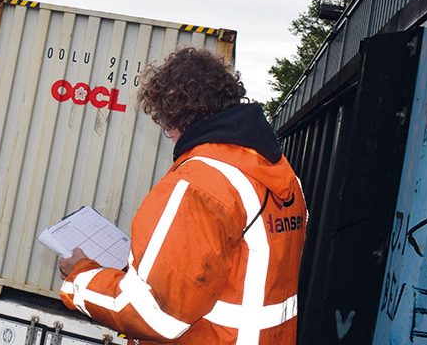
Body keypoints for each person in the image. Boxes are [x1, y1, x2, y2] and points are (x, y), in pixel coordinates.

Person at [58, 47, 306, 344]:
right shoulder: (283, 176)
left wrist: (79, 277)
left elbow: (152, 314)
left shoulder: (200, 182)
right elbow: (233, 274)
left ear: (173, 118)